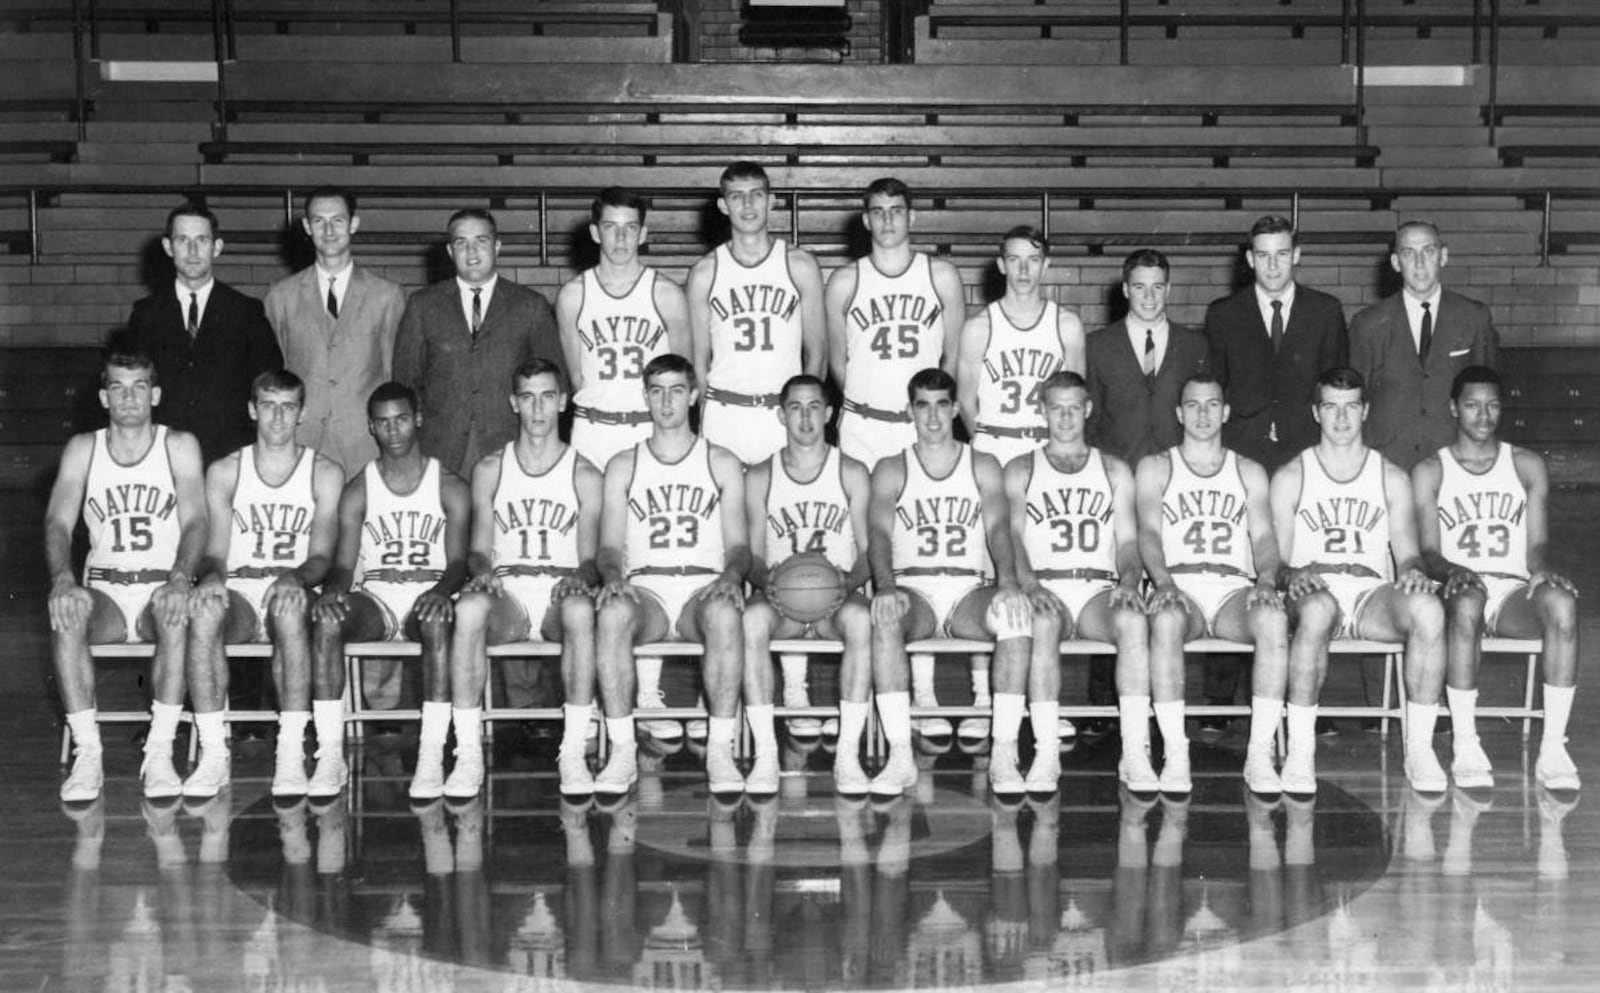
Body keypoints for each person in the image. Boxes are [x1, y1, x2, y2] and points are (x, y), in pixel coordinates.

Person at [1200, 216, 1348, 733]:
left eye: (1282, 253)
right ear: (1249, 259)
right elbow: (1215, 390)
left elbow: (1335, 387)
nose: (1272, 264)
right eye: (1262, 255)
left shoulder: (1325, 311)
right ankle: (1221, 699)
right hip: (1243, 453)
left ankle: (1306, 698)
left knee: (1303, 567)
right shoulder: (1223, 314)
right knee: (1238, 566)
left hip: (1303, 456)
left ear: (1296, 255)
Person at [1269, 367, 1448, 794]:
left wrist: (1413, 572)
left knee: (1428, 609)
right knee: (1317, 609)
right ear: (1316, 412)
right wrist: (1292, 575)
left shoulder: (1391, 476)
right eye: (1331, 407)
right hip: (1313, 591)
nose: (1341, 418)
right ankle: (1300, 751)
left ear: (1365, 410)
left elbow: (1407, 553)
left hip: (1369, 593)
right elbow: (1275, 562)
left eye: (1350, 407)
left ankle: (1420, 749)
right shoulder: (1292, 475)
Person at [46, 352, 207, 801]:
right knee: (67, 615)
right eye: (118, 387)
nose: (129, 397)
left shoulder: (178, 444)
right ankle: (88, 754)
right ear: (104, 397)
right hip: (107, 590)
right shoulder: (84, 448)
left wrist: (181, 578)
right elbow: (57, 523)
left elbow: (197, 521)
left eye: (139, 387)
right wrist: (62, 578)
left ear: (155, 395)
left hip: (162, 584)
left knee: (175, 615)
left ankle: (160, 751)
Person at [1412, 366, 1580, 790]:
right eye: (1472, 405)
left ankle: (1553, 749)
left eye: (1492, 405)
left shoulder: (1526, 464)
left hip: (1509, 591)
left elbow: (1536, 544)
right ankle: (1466, 744)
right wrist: (1455, 572)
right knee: (1469, 601)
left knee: (1562, 604)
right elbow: (1429, 554)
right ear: (1454, 408)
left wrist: (1543, 569)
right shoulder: (1431, 469)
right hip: (1458, 587)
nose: (1483, 416)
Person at [866, 368, 1032, 796]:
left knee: (1015, 617)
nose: (933, 416)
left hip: (966, 591)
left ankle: (1004, 752)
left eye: (942, 405)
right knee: (885, 619)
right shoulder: (890, 468)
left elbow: (998, 529)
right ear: (910, 411)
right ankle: (900, 755)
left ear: (956, 408)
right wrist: (885, 586)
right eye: (923, 406)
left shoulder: (983, 464)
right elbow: (879, 534)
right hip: (914, 590)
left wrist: (1008, 582)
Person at [591, 354, 750, 794]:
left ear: (694, 396)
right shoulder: (623, 464)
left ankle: (720, 748)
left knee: (725, 614)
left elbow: (740, 547)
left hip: (703, 585)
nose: (666, 402)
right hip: (648, 589)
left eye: (676, 391)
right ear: (645, 397)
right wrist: (612, 576)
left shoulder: (721, 461)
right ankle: (622, 750)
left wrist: (731, 576)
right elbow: (608, 547)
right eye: (657, 392)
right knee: (611, 614)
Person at [184, 370, 344, 797]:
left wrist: (294, 577)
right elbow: (215, 553)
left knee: (288, 609)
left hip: (291, 592)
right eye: (269, 406)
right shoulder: (225, 471)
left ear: (302, 414)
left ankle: (289, 752)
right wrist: (211, 578)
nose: (277, 418)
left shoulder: (324, 472)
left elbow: (322, 557)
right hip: (240, 591)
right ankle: (214, 754)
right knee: (203, 611)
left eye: (288, 407)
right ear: (252, 410)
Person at [449, 359, 605, 797]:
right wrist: (482, 573)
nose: (538, 409)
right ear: (513, 402)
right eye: (528, 397)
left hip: (559, 592)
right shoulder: (490, 469)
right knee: (468, 608)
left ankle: (573, 751)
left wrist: (580, 577)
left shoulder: (585, 473)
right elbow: (478, 550)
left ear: (563, 402)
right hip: (509, 593)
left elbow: (591, 558)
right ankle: (467, 753)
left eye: (547, 397)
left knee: (581, 610)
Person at [310, 382, 471, 800]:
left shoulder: (449, 484)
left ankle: (431, 755)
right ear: (371, 427)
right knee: (327, 622)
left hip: (428, 595)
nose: (393, 430)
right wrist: (334, 591)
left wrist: (441, 591)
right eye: (383, 422)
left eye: (401, 419)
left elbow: (459, 562)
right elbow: (344, 565)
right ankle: (330, 755)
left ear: (417, 419)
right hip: (378, 598)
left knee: (436, 621)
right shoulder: (359, 488)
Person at [1134, 374, 1289, 794]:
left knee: (1273, 620)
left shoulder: (1249, 470)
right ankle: (1176, 752)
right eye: (1193, 405)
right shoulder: (1156, 466)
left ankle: (1260, 753)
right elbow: (1148, 533)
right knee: (1165, 620)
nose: (1203, 414)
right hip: (1178, 583)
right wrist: (1163, 582)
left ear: (1226, 412)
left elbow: (1264, 537)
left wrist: (1267, 579)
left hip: (1231, 588)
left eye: (1212, 404)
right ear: (1179, 413)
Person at [1084, 249, 1210, 732]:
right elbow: (1092, 422)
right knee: (1116, 582)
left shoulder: (1195, 344)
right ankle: (1104, 706)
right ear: (1125, 290)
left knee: (1169, 586)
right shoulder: (1098, 345)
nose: (1149, 296)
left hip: (1173, 484)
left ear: (1169, 289)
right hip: (1118, 478)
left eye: (1158, 287)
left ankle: (1168, 705)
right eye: (1140, 287)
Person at [1004, 371, 1143, 793]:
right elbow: (1011, 538)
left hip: (1098, 588)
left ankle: (1135, 752)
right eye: (1056, 408)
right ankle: (1046, 752)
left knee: (1134, 622)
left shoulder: (1115, 469)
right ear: (1042, 411)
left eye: (1073, 408)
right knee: (1043, 623)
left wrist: (1130, 579)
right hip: (1048, 587)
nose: (1065, 418)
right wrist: (1030, 585)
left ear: (1088, 409)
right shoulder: (1021, 468)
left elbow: (1128, 542)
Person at [742, 374, 874, 793]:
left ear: (829, 413)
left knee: (862, 621)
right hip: (782, 601)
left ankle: (848, 755)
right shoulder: (760, 475)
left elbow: (870, 551)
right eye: (795, 408)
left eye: (814, 407)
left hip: (836, 600)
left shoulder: (851, 471)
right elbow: (750, 554)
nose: (804, 418)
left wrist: (849, 582)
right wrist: (766, 581)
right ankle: (765, 754)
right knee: (750, 621)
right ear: (781, 415)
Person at [393, 208, 566, 478]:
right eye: (461, 243)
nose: (471, 252)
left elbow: (555, 382)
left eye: (481, 241)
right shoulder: (422, 305)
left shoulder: (530, 306)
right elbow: (405, 381)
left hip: (511, 447)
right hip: (441, 450)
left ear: (497, 247)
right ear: (450, 251)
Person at [118, 204, 285, 466]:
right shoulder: (145, 314)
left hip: (229, 455)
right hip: (163, 455)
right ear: (168, 247)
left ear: (217, 247)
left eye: (202, 240)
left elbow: (267, 386)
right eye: (183, 240)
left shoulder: (246, 311)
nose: (193, 251)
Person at [686, 162, 826, 466]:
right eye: (736, 196)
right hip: (725, 414)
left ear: (771, 201)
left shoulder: (800, 266)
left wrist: (803, 412)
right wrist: (704, 417)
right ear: (723, 205)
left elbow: (817, 354)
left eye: (756, 194)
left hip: (782, 415)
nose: (747, 205)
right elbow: (698, 361)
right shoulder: (704, 272)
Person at [265, 187, 408, 479]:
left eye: (338, 220)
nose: (328, 231)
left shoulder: (387, 296)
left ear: (353, 224)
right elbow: (275, 378)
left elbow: (394, 375)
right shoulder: (281, 296)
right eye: (319, 221)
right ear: (307, 227)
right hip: (302, 441)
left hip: (365, 443)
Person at [828, 177, 968, 469]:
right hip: (863, 425)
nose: (888, 220)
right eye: (878, 212)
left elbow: (953, 356)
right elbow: (837, 361)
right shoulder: (844, 281)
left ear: (911, 217)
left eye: (896, 211)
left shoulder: (942, 276)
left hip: (920, 423)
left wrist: (931, 407)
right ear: (866, 220)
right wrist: (865, 401)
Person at [556, 187, 691, 470]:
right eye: (610, 227)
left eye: (630, 228)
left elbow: (683, 377)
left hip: (648, 429)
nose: (621, 238)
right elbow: (577, 377)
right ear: (595, 233)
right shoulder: (573, 296)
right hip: (592, 430)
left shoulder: (666, 294)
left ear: (642, 234)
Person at [1349, 220, 1500, 472]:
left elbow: (1489, 396)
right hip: (1387, 463)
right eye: (1409, 253)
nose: (1420, 263)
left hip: (1453, 462)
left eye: (1428, 251)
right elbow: (1355, 401)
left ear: (1443, 256)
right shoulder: (1368, 323)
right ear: (1396, 262)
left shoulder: (1474, 317)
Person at [957, 226, 1086, 465]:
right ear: (1002, 265)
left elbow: (1076, 399)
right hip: (994, 446)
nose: (1024, 270)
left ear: (1045, 265)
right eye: (1014, 260)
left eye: (1033, 260)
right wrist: (986, 446)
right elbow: (965, 400)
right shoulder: (978, 328)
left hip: (1047, 447)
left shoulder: (1067, 325)